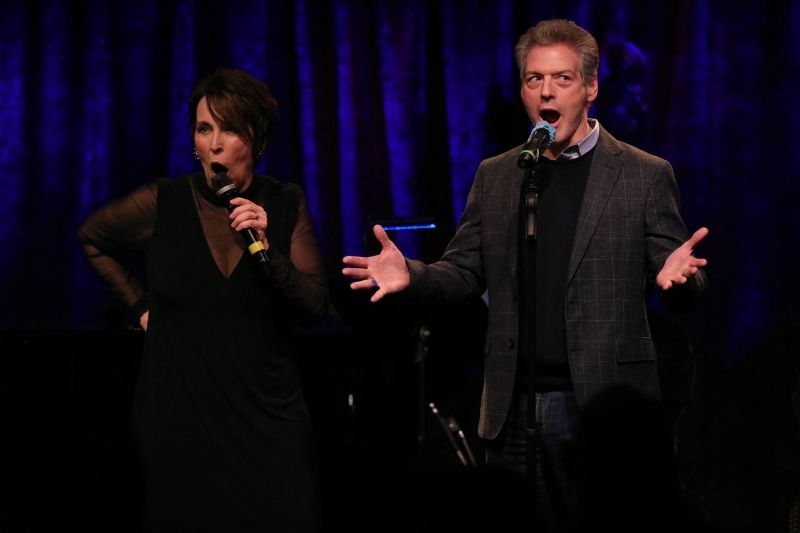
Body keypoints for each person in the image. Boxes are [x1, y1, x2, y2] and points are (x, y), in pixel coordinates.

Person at [342, 18, 708, 531]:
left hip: (599, 407)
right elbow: (464, 270)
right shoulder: (499, 175)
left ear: (591, 87)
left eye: (561, 79)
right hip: (512, 405)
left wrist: (681, 277)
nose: (545, 92)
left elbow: (684, 276)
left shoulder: (643, 174)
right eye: (534, 79)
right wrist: (414, 275)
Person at [79, 68, 329, 532]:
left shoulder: (284, 202)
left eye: (229, 128)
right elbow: (92, 237)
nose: (214, 144)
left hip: (265, 420)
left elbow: (314, 304)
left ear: (255, 140)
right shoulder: (164, 200)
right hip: (180, 416)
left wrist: (267, 248)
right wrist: (141, 309)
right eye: (204, 128)